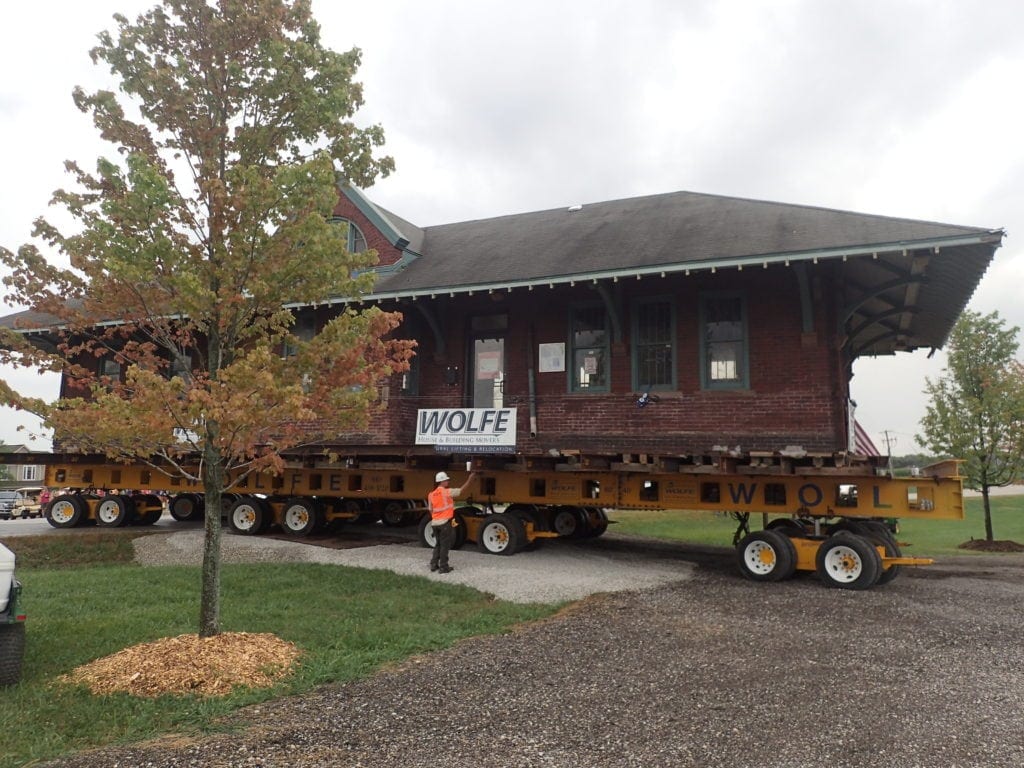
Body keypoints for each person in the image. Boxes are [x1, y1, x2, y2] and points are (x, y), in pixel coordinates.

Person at [427, 470, 477, 573]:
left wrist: (436, 517)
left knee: (438, 544)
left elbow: (430, 509)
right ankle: (443, 567)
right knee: (445, 545)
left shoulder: (431, 494)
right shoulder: (446, 492)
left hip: (435, 523)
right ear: (441, 482)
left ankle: (433, 564)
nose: (448, 481)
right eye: (446, 480)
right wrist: (470, 480)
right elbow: (461, 491)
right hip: (444, 523)